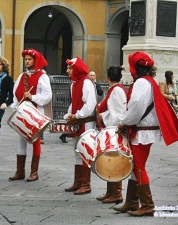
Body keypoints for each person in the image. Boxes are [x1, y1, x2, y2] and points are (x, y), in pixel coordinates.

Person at [113, 51, 178, 216]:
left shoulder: (141, 83)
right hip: (143, 130)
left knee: (138, 167)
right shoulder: (148, 81)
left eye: (131, 68)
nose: (130, 71)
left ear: (136, 68)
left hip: (142, 131)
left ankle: (147, 204)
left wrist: (124, 121)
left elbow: (136, 107)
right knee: (135, 166)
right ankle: (131, 202)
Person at [9, 48, 52, 182]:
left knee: (35, 141)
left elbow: (47, 96)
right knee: (21, 141)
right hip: (23, 112)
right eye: (25, 59)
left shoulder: (42, 76)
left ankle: (34, 172)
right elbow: (15, 93)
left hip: (35, 113)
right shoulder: (22, 76)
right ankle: (19, 171)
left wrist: (32, 96)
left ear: (35, 60)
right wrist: (15, 106)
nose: (27, 62)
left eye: (29, 59)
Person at [64, 57, 97, 195]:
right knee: (77, 151)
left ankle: (86, 184)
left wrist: (77, 115)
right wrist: (68, 114)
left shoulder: (86, 83)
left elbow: (90, 105)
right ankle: (78, 182)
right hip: (78, 121)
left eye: (70, 68)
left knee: (85, 151)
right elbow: (74, 102)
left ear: (76, 69)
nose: (67, 71)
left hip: (86, 122)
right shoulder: (74, 84)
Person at [96, 65, 127, 204]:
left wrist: (105, 118)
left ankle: (116, 193)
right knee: (110, 160)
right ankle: (110, 191)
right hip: (112, 127)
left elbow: (119, 112)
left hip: (114, 129)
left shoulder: (117, 91)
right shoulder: (116, 90)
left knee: (114, 161)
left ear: (108, 77)